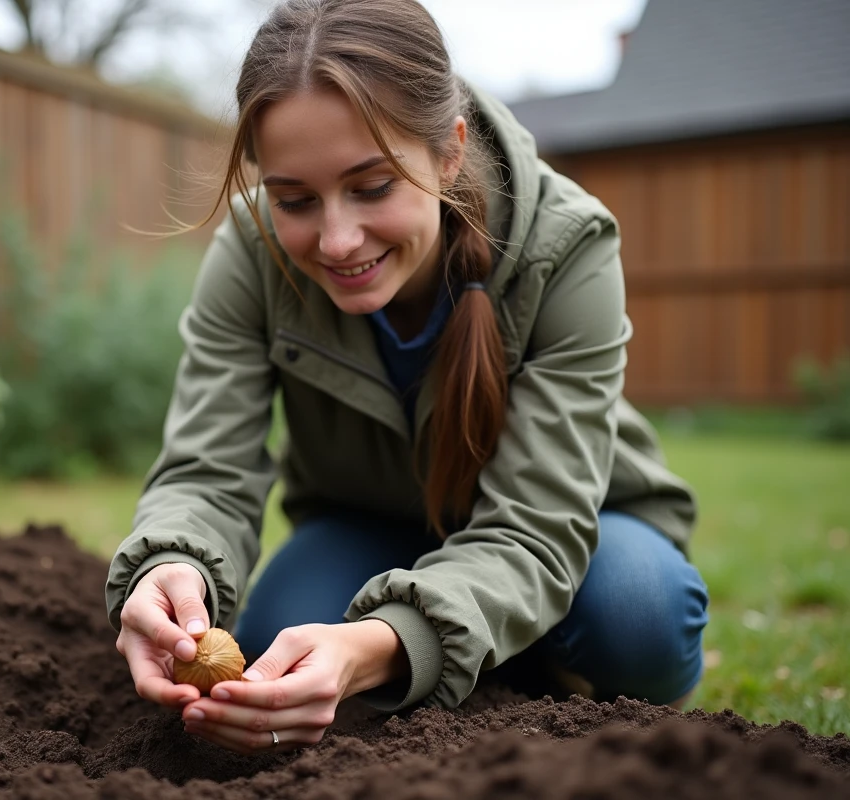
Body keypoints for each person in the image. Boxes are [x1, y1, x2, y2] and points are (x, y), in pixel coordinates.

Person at [105, 0, 709, 755]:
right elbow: (207, 470)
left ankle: (526, 659)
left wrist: (378, 644)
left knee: (638, 615)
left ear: (450, 151)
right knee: (268, 644)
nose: (336, 239)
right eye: (294, 199)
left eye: (372, 186)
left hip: (573, 534)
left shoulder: (569, 247)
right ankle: (477, 656)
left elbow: (536, 526)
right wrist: (170, 565)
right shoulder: (251, 252)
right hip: (370, 524)